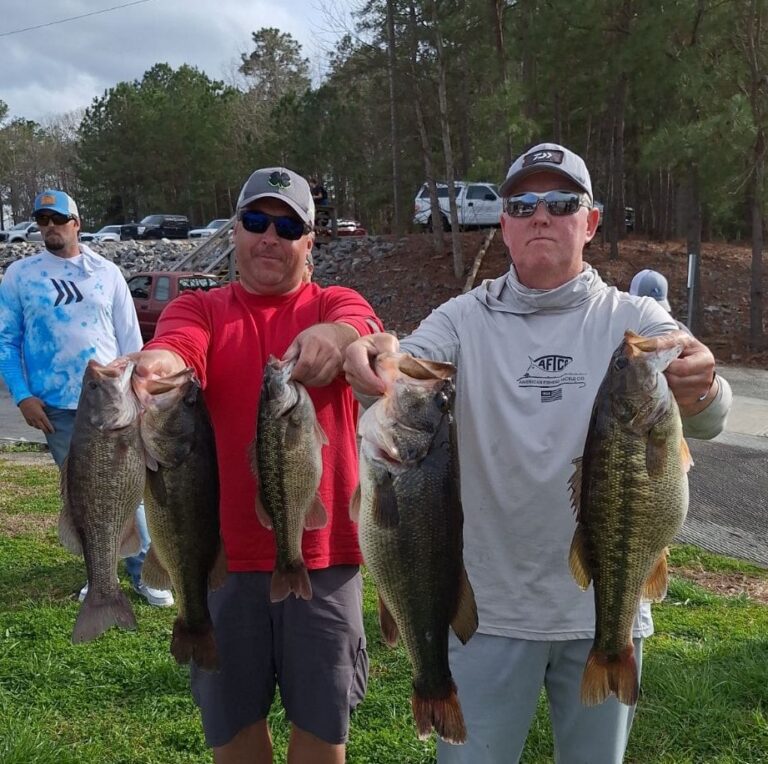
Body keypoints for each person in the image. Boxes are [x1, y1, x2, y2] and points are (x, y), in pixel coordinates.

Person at [344, 143, 731, 764]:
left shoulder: (634, 318)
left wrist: (705, 385)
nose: (541, 216)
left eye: (560, 202)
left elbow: (709, 409)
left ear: (591, 221)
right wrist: (375, 353)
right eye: (522, 204)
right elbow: (404, 363)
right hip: (488, 614)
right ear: (503, 224)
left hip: (606, 611)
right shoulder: (462, 318)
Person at [130, 167, 383, 763]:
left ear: (309, 242)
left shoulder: (333, 300)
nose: (270, 236)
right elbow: (177, 346)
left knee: (323, 733)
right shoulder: (202, 309)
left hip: (323, 558)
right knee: (235, 731)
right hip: (219, 560)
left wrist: (337, 334)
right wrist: (159, 365)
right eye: (256, 221)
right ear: (236, 230)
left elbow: (365, 329)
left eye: (288, 225)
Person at [0, 189, 174, 608]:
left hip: (115, 403)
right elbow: (7, 341)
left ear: (77, 223)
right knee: (84, 495)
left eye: (58, 220)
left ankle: (146, 572)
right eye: (42, 220)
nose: (50, 228)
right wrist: (23, 396)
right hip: (56, 409)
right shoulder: (19, 275)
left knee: (129, 490)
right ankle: (100, 576)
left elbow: (130, 337)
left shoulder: (107, 273)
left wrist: (141, 389)